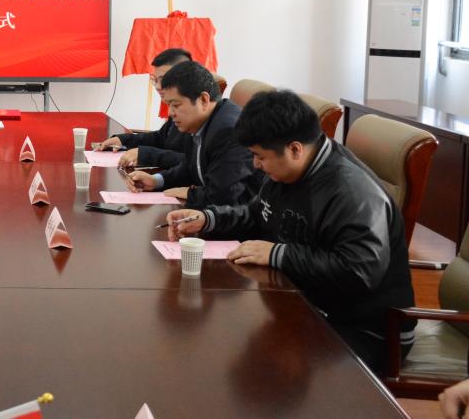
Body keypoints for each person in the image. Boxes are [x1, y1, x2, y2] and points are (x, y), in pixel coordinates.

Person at [166, 90, 416, 376]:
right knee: (219, 339)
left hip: (367, 331)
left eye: (260, 156)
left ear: (295, 149)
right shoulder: (289, 170)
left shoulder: (354, 193)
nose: (256, 165)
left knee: (248, 360)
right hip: (308, 303)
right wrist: (208, 219)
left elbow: (358, 272)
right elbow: (256, 214)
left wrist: (278, 254)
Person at [125, 60, 256, 206]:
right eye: (168, 105)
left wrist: (189, 193)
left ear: (203, 99)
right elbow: (191, 167)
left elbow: (224, 196)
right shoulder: (200, 121)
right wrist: (156, 180)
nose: (170, 113)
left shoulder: (228, 130)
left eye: (176, 105)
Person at [98, 47, 192, 169]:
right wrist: (123, 140)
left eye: (163, 80)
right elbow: (160, 138)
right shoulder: (176, 107)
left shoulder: (198, 111)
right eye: (155, 80)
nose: (158, 86)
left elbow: (194, 161)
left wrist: (146, 154)